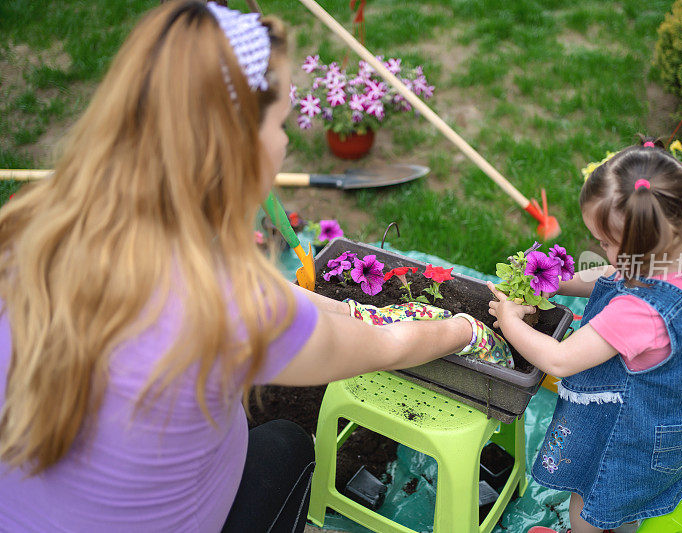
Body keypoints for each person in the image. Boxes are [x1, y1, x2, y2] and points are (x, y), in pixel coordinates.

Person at [0, 2, 509, 531]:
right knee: (288, 443)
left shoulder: (29, 232)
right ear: (237, 145)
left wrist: (344, 308)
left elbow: (280, 302)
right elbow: (386, 347)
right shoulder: (226, 307)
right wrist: (463, 329)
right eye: (280, 124)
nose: (287, 143)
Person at [489, 138, 682, 532]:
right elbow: (611, 277)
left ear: (639, 253)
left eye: (606, 243)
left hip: (631, 439)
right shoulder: (681, 257)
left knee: (591, 499)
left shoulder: (639, 311)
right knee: (625, 500)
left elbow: (559, 359)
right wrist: (557, 282)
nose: (601, 249)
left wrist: (509, 319)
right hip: (669, 425)